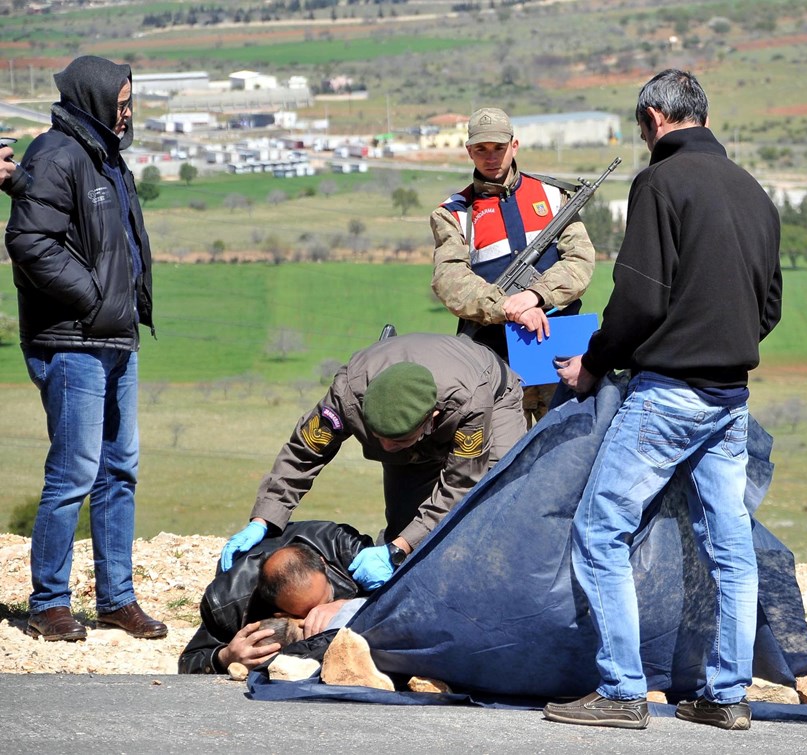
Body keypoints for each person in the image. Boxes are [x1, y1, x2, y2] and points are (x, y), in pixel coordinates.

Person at [545, 70, 782, 731]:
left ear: (655, 117)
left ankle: (621, 688)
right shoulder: (755, 193)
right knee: (730, 549)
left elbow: (641, 298)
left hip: (669, 396)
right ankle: (727, 695)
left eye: (641, 126)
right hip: (730, 399)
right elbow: (769, 307)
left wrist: (594, 362)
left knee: (600, 529)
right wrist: (721, 340)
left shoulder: (659, 183)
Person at [4, 56, 163, 642]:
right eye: (120, 103)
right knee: (73, 472)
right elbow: (28, 240)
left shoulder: (102, 156)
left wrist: (118, 309)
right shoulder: (58, 152)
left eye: (130, 103)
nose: (127, 114)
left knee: (120, 470)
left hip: (114, 337)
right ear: (92, 99)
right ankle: (48, 603)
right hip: (73, 341)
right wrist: (94, 299)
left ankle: (117, 598)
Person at [220, 332, 526, 590]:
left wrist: (400, 548)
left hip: (492, 392)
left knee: (494, 497)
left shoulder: (470, 402)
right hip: (414, 406)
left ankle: (489, 588)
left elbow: (461, 483)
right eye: (378, 437)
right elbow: (305, 451)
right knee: (406, 525)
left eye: (398, 441)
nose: (386, 448)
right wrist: (264, 519)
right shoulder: (347, 396)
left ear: (430, 420)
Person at [430, 107, 596, 427]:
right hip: (495, 364)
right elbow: (449, 280)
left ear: (514, 146)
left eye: (499, 148)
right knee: (501, 465)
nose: (490, 157)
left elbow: (580, 261)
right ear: (469, 151)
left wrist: (536, 295)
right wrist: (507, 306)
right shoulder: (453, 213)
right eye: (481, 149)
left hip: (560, 356)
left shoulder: (553, 196)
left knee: (567, 458)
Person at [180, 520, 373, 674]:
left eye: (328, 597)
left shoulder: (345, 548)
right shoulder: (227, 603)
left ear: (322, 563)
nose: (321, 611)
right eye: (309, 612)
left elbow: (397, 600)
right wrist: (225, 657)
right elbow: (189, 662)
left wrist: (348, 605)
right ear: (279, 613)